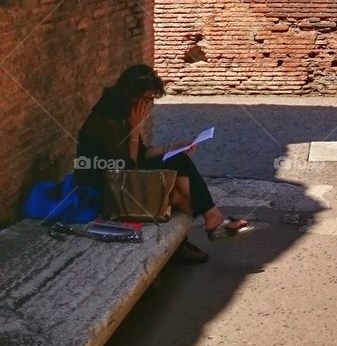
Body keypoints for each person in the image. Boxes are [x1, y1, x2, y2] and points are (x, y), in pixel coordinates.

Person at [76, 64, 253, 263]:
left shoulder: (124, 111)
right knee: (178, 191)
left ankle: (205, 224)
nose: (148, 105)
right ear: (131, 94)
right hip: (107, 188)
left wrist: (176, 146)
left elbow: (142, 154)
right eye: (146, 99)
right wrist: (135, 129)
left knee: (179, 163)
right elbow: (128, 168)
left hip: (122, 177)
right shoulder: (107, 121)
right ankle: (209, 222)